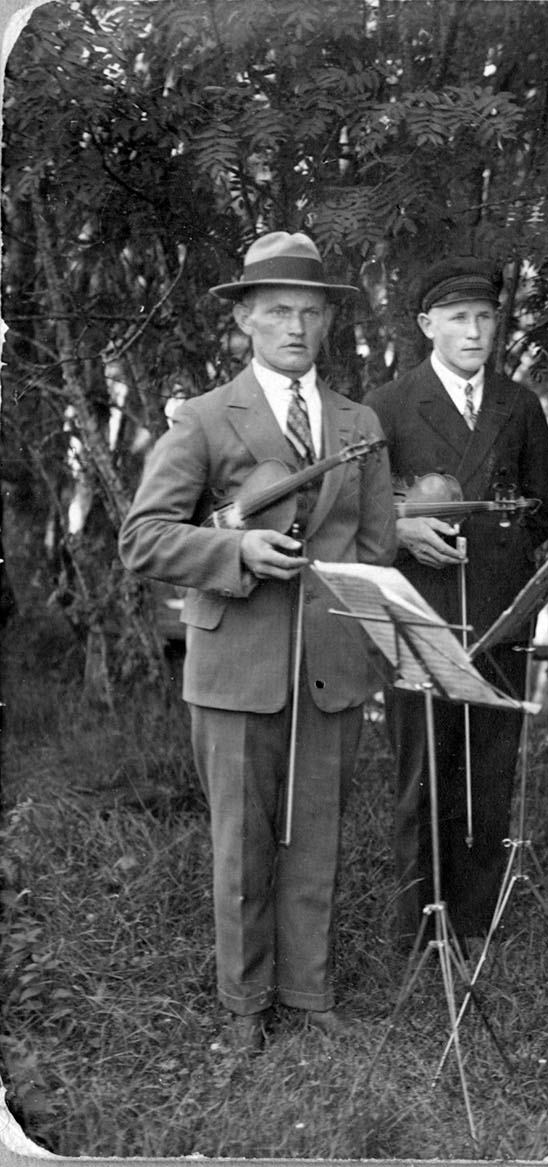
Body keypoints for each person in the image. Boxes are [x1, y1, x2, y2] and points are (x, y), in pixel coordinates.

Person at [118, 231, 396, 1051]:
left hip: (330, 667)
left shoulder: (359, 422)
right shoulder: (206, 418)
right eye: (277, 310)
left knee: (317, 836)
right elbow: (143, 539)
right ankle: (244, 1005)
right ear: (244, 318)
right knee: (241, 845)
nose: (296, 326)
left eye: (311, 312)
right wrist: (235, 550)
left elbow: (375, 548)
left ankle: (308, 993)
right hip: (236, 664)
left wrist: (361, 647)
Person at [365, 257, 548, 954]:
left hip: (500, 608)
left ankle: (475, 917)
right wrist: (405, 529)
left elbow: (545, 504)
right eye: (457, 319)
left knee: (488, 765)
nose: (474, 331)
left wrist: (507, 546)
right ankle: (420, 920)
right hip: (420, 610)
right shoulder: (389, 404)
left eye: (484, 317)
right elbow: (359, 509)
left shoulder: (519, 404)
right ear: (427, 326)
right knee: (422, 764)